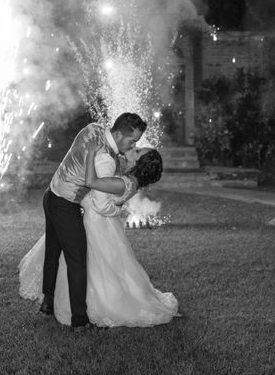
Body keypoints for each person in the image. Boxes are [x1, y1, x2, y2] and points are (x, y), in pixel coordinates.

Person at [19, 142, 179, 329]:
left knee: (86, 262)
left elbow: (100, 200)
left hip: (93, 220)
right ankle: (52, 297)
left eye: (137, 151)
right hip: (93, 218)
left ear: (139, 164)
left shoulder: (125, 182)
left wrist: (91, 158)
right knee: (69, 255)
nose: (133, 148)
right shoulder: (128, 177)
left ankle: (81, 305)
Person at [37, 113, 146, 332]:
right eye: (131, 140)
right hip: (66, 204)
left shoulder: (93, 128)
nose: (133, 145)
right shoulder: (104, 156)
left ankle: (47, 302)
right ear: (117, 133)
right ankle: (80, 321)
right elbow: (100, 202)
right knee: (77, 261)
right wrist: (118, 207)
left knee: (53, 251)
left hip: (50, 195)